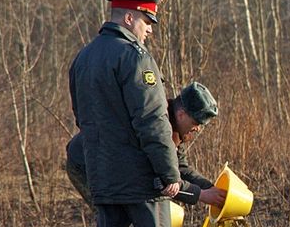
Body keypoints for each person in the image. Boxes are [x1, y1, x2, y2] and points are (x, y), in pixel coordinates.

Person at [69, 0, 181, 227]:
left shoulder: (84, 58)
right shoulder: (134, 58)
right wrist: (168, 170)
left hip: (100, 170)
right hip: (138, 174)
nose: (149, 31)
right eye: (147, 22)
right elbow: (152, 120)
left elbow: (81, 118)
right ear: (129, 18)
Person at [66, 81, 227, 209]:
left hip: (115, 163)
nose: (197, 128)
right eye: (196, 122)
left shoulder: (175, 126)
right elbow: (160, 178)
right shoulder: (157, 127)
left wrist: (211, 189)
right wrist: (201, 195)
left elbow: (179, 167)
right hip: (86, 161)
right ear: (181, 114)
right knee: (116, 214)